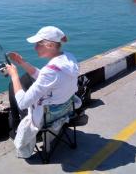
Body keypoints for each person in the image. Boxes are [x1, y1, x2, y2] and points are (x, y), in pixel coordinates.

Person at [4, 26, 80, 158]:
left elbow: (23, 103)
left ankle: (16, 128)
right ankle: (16, 124)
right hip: (66, 109)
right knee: (24, 81)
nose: (35, 48)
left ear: (50, 45)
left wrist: (14, 75)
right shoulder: (69, 58)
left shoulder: (50, 71)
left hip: (47, 117)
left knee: (13, 86)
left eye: (38, 45)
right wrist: (22, 62)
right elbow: (48, 78)